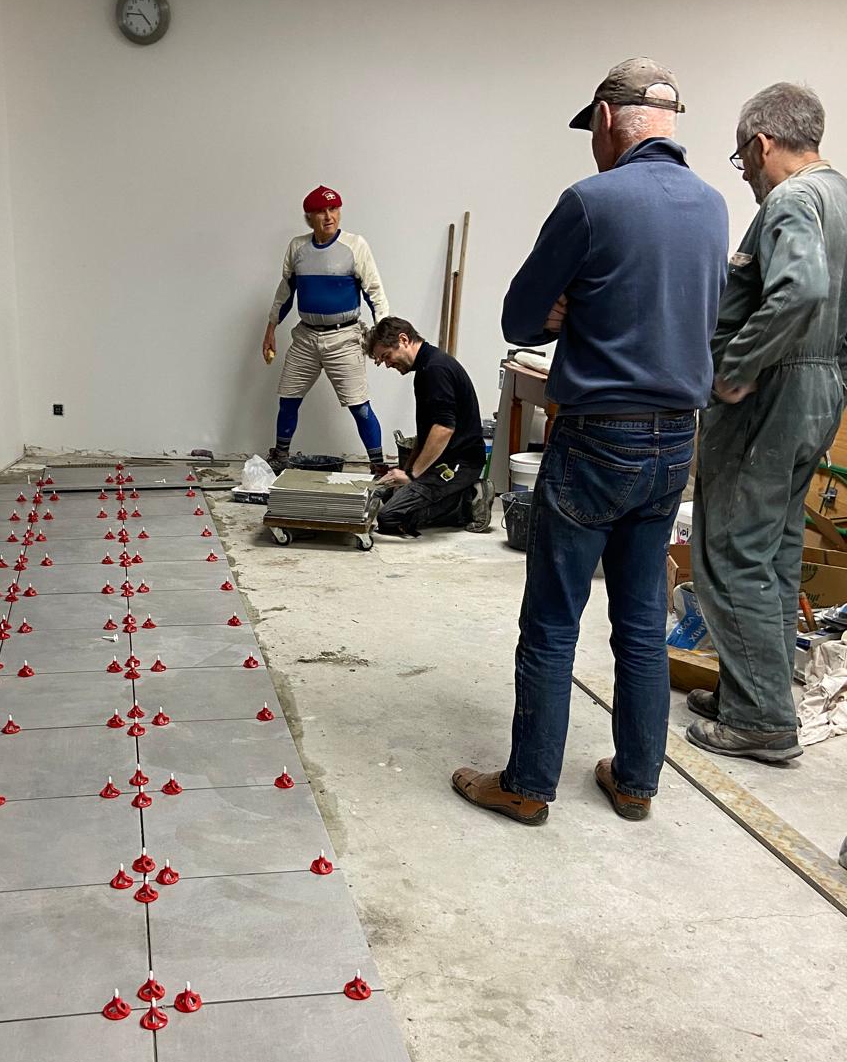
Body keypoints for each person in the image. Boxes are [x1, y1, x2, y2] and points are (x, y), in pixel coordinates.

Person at [452, 58, 728, 826]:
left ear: (606, 120)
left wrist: (562, 309)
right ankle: (636, 781)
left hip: (597, 439)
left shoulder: (591, 201)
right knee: (640, 623)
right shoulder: (713, 207)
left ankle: (528, 785)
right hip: (676, 443)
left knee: (551, 621)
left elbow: (518, 317)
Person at [688, 84, 847, 764]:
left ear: (761, 144)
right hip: (819, 390)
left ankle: (759, 721)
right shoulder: (841, 196)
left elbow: (801, 289)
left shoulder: (791, 200)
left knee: (732, 549)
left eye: (741, 160)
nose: (746, 175)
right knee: (774, 550)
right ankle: (755, 693)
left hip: (772, 392)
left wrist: (738, 367)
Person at [261, 185, 389, 475]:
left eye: (333, 209)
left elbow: (375, 293)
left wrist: (383, 334)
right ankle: (280, 456)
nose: (329, 216)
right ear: (309, 218)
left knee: (360, 406)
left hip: (345, 337)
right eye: (320, 211)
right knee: (288, 399)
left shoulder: (355, 245)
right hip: (306, 336)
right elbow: (285, 292)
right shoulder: (297, 247)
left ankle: (379, 467)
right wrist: (270, 328)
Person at [365, 317, 493, 534]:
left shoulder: (436, 370)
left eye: (386, 356)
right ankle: (451, 495)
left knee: (390, 517)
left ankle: (470, 498)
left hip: (460, 464)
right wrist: (406, 471)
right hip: (440, 459)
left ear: (403, 340)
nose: (387, 364)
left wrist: (412, 476)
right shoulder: (425, 370)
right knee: (385, 496)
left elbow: (443, 429)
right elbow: (425, 434)